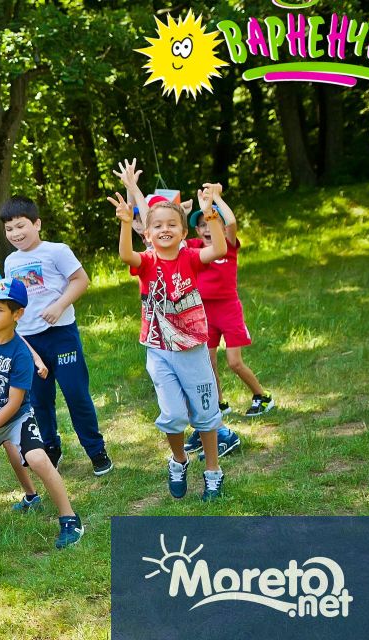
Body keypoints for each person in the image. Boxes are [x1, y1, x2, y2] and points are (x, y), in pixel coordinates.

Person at [111, 185, 228, 501]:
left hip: (193, 349)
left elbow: (219, 249)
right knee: (173, 416)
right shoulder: (146, 261)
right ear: (148, 234)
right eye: (158, 225)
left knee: (206, 414)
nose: (165, 229)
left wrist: (210, 213)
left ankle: (213, 472)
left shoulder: (190, 257)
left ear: (183, 232)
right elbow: (126, 255)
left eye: (172, 224)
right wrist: (126, 223)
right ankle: (179, 460)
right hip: (160, 351)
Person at [0, 279, 85, 548]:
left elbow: (13, 405)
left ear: (18, 314)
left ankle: (70, 518)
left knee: (38, 458)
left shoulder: (20, 353)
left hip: (16, 420)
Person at [1, 196, 114, 476]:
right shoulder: (11, 261)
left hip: (61, 336)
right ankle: (51, 447)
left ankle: (96, 450)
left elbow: (81, 280)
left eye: (20, 226)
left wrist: (59, 305)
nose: (15, 233)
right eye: (9, 229)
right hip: (29, 342)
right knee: (39, 401)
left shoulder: (56, 251)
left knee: (76, 395)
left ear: (37, 224)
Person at [184, 185, 271, 441]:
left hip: (229, 310)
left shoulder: (228, 246)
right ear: (197, 230)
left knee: (234, 362)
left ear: (221, 228)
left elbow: (231, 222)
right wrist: (183, 212)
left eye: (212, 222)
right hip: (205, 313)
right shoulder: (195, 248)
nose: (207, 228)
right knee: (208, 363)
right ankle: (219, 403)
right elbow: (175, 238)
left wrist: (217, 200)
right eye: (201, 224)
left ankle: (262, 396)